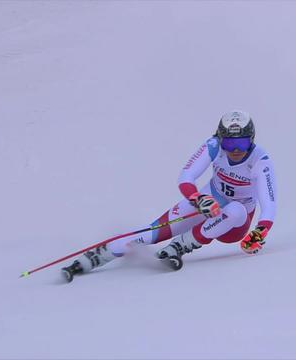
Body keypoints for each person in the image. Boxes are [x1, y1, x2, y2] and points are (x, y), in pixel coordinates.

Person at [61, 110, 277, 281]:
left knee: (236, 210)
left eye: (242, 143)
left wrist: (259, 233)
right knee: (152, 232)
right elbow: (185, 177)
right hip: (209, 201)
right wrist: (198, 199)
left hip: (234, 225)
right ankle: (93, 258)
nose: (236, 149)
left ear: (252, 140)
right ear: (220, 139)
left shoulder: (260, 160)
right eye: (229, 143)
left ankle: (180, 246)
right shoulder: (213, 145)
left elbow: (269, 205)